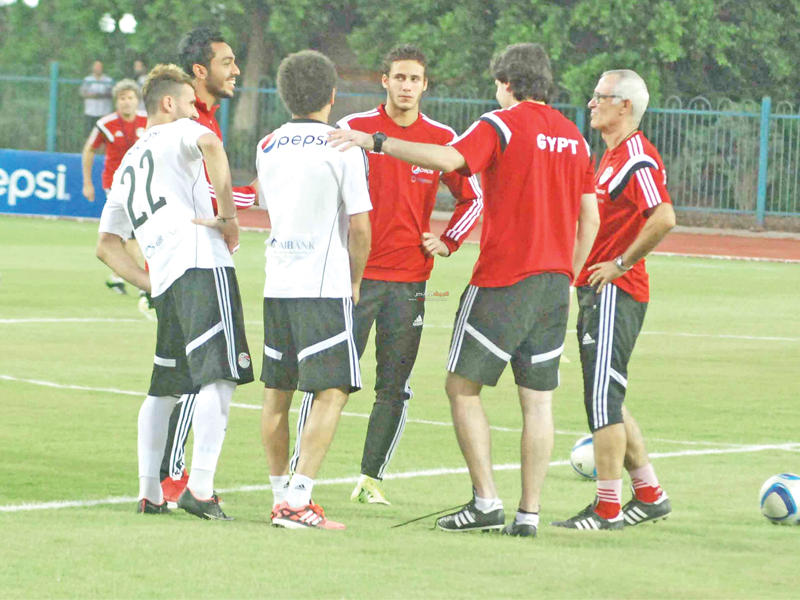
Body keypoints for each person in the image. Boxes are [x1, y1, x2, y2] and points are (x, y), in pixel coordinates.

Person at [329, 42, 599, 537]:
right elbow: (591, 219)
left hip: (503, 281)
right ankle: (528, 514)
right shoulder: (575, 138)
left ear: (506, 83)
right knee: (538, 402)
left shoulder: (500, 124)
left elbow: (449, 158)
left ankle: (486, 502)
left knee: (461, 387)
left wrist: (378, 142)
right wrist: (569, 276)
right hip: (555, 286)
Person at [290, 44, 483, 506]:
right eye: (399, 77)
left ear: (425, 85)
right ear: (385, 81)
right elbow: (317, 182)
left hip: (410, 281)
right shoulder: (353, 128)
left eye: (414, 79)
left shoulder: (440, 137)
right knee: (330, 379)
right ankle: (299, 473)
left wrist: (449, 241)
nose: (406, 86)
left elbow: (473, 196)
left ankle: (370, 479)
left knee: (394, 386)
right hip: (351, 279)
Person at [95, 63, 254, 519]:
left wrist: (151, 281)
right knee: (219, 376)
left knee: (164, 388)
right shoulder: (181, 129)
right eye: (189, 103)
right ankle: (199, 490)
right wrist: (229, 217)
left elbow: (106, 246)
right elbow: (212, 145)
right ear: (169, 103)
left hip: (166, 278)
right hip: (202, 263)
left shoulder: (128, 163)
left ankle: (149, 492)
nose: (195, 111)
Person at [551, 69, 675, 531]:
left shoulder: (636, 157)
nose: (591, 103)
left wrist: (621, 263)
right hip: (598, 291)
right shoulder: (612, 154)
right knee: (608, 396)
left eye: (600, 96)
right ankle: (650, 495)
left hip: (615, 293)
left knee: (603, 398)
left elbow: (663, 216)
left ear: (625, 105)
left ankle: (607, 509)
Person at [257, 49, 371, 530]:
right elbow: (360, 226)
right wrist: (356, 280)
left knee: (277, 393)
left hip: (278, 281)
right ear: (332, 94)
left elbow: (267, 204)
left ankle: (279, 496)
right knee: (333, 389)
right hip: (322, 284)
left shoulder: (267, 145)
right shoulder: (343, 145)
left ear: (284, 95)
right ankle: (299, 500)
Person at [158, 26, 259, 505]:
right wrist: (252, 199)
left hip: (175, 261)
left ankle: (161, 479)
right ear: (200, 71)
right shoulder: (192, 122)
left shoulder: (196, 117)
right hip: (196, 261)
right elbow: (204, 198)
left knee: (181, 372)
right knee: (209, 371)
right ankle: (176, 479)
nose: (236, 70)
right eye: (227, 62)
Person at [81, 79, 148, 296]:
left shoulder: (149, 120)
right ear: (116, 101)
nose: (126, 102)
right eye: (122, 98)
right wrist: (87, 182)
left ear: (137, 100)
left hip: (143, 184)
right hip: (116, 185)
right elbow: (89, 150)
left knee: (125, 236)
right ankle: (144, 286)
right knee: (133, 235)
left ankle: (117, 277)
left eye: (130, 97)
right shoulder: (106, 124)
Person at [80, 60, 114, 135]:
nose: (98, 68)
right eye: (96, 66)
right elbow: (82, 93)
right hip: (90, 112)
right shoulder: (87, 80)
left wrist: (103, 95)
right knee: (89, 135)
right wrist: (92, 96)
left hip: (104, 112)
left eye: (100, 66)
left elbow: (113, 93)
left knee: (104, 135)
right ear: (93, 68)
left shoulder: (108, 80)